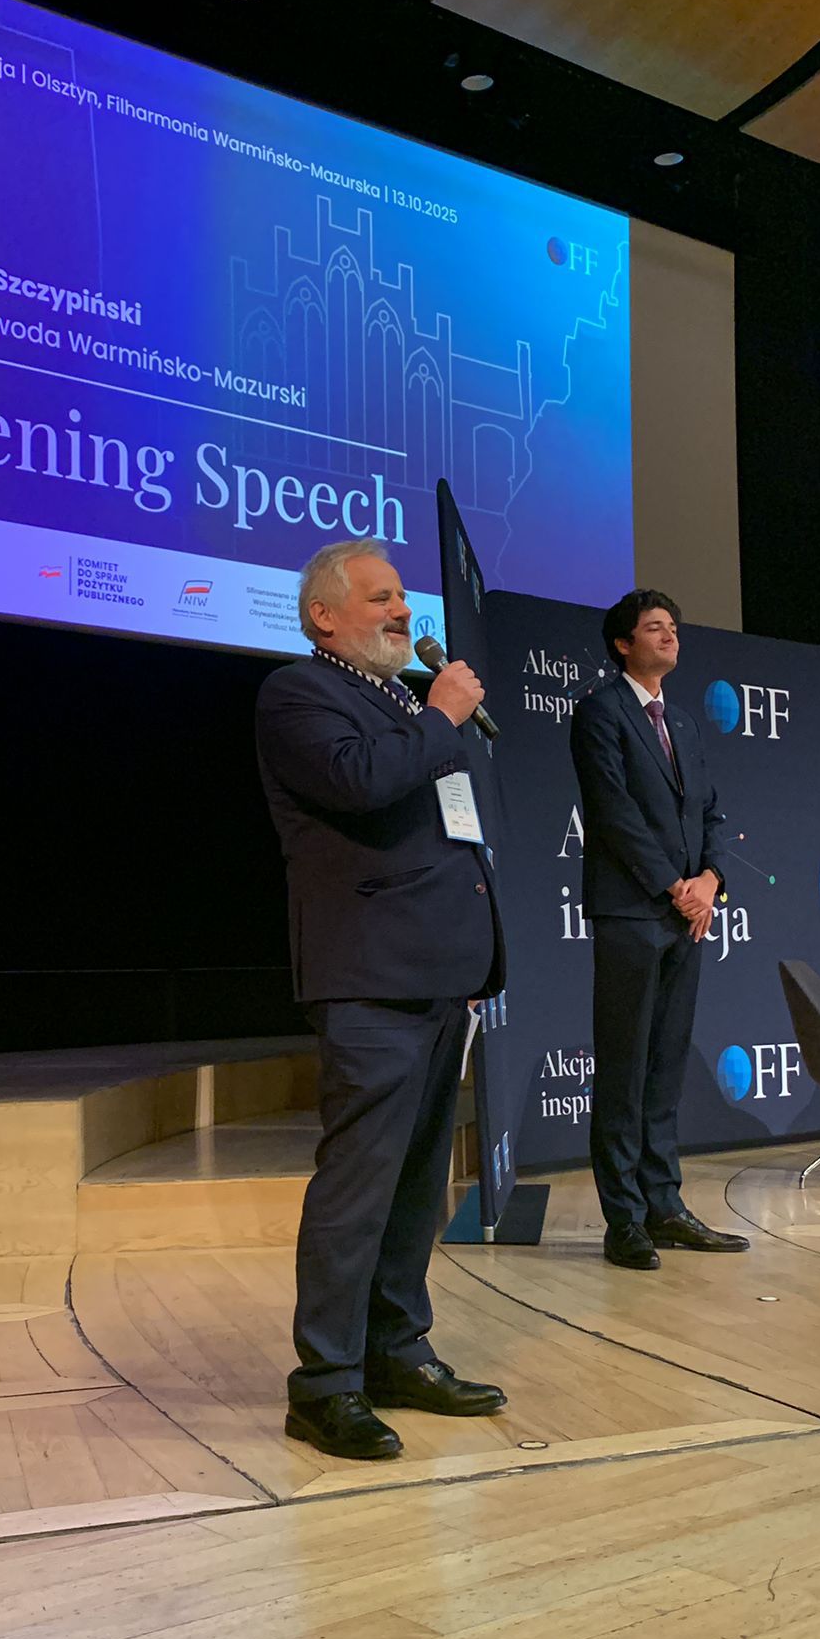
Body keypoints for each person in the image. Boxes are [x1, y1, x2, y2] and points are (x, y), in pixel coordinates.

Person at [255, 538, 507, 1460]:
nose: (404, 611)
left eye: (403, 597)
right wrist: (441, 716)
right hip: (370, 977)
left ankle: (397, 1350)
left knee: (415, 1186)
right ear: (324, 616)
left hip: (439, 976)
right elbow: (360, 784)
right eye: (381, 597)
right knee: (359, 1188)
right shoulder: (297, 693)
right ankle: (325, 1385)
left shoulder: (401, 702)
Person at [569, 589, 749, 1270]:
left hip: (685, 919)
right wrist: (675, 886)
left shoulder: (685, 723)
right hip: (632, 912)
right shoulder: (600, 712)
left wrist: (711, 880)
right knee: (624, 1069)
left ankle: (664, 1206)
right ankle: (625, 1221)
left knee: (666, 1068)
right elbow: (612, 811)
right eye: (654, 627)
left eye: (673, 626)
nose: (670, 635)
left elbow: (710, 814)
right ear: (623, 644)